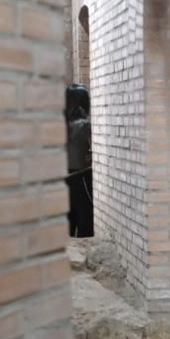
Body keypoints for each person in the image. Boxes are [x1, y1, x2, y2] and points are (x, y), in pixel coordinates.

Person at [65, 83, 94, 237]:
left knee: (69, 224)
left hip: (64, 179)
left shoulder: (60, 124)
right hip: (81, 178)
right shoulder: (83, 126)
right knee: (86, 224)